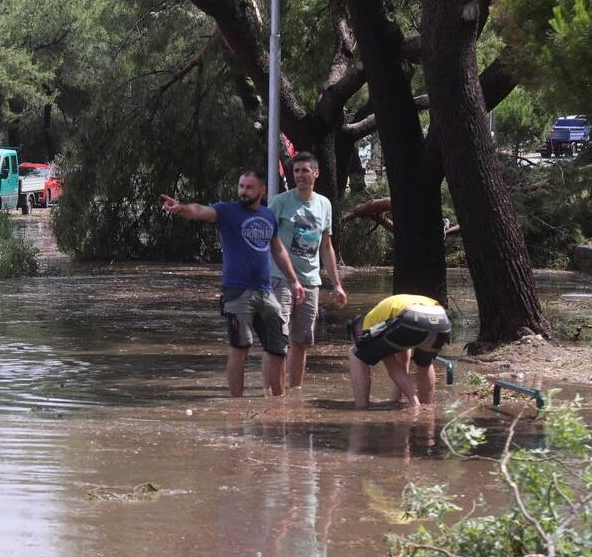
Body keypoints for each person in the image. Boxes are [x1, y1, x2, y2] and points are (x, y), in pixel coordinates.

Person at [161, 169, 306, 397]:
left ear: (262, 190)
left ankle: (278, 401)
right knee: (240, 346)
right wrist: (182, 208)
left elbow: (278, 250)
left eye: (249, 187)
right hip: (237, 291)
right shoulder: (227, 211)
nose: (243, 191)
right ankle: (236, 405)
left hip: (266, 292)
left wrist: (294, 281)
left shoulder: (268, 216)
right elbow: (201, 211)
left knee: (278, 346)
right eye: (241, 186)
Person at [267, 152, 348, 390]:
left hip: (311, 282)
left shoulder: (324, 204)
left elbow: (326, 246)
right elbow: (265, 238)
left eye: (304, 170)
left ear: (316, 173)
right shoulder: (280, 202)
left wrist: (337, 285)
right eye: (296, 171)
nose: (300, 175)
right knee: (278, 339)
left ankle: (295, 394)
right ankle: (274, 394)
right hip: (280, 279)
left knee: (301, 341)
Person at [348, 294, 452, 409]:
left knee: (355, 354)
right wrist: (394, 401)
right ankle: (426, 407)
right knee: (425, 364)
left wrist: (412, 398)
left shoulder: (368, 323)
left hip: (412, 317)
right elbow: (403, 360)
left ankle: (361, 408)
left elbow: (391, 363)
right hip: (442, 319)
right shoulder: (386, 316)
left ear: (357, 331)